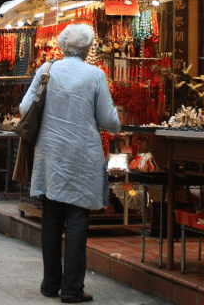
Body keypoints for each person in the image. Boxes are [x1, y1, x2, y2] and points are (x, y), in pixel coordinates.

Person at [20, 22, 121, 304]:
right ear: (88, 47)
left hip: (50, 154)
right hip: (82, 155)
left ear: (63, 45)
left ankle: (50, 284)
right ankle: (72, 289)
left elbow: (24, 108)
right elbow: (109, 120)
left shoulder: (47, 70)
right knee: (77, 219)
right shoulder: (95, 75)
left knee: (52, 218)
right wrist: (118, 121)